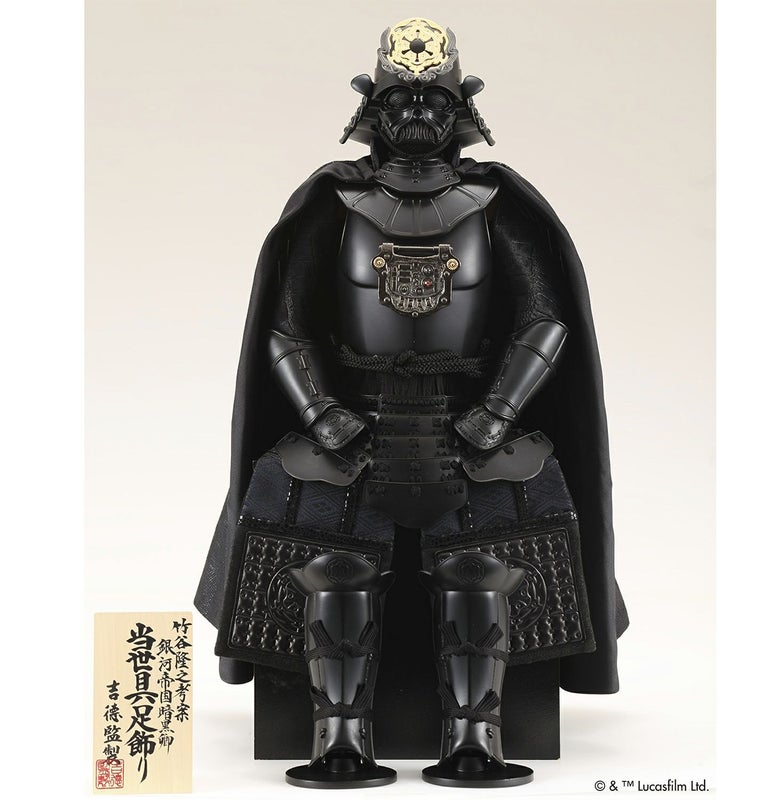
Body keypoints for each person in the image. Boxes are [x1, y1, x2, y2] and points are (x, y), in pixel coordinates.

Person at [195, 16, 628, 788]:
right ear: (373, 106)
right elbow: (285, 327)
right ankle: (337, 739)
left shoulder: (497, 203)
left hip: (473, 423)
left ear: (463, 107)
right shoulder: (333, 202)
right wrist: (321, 411)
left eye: (433, 100)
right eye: (402, 99)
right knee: (333, 572)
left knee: (480, 572)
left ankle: (476, 739)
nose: (418, 113)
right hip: (351, 423)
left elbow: (543, 319)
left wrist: (498, 411)